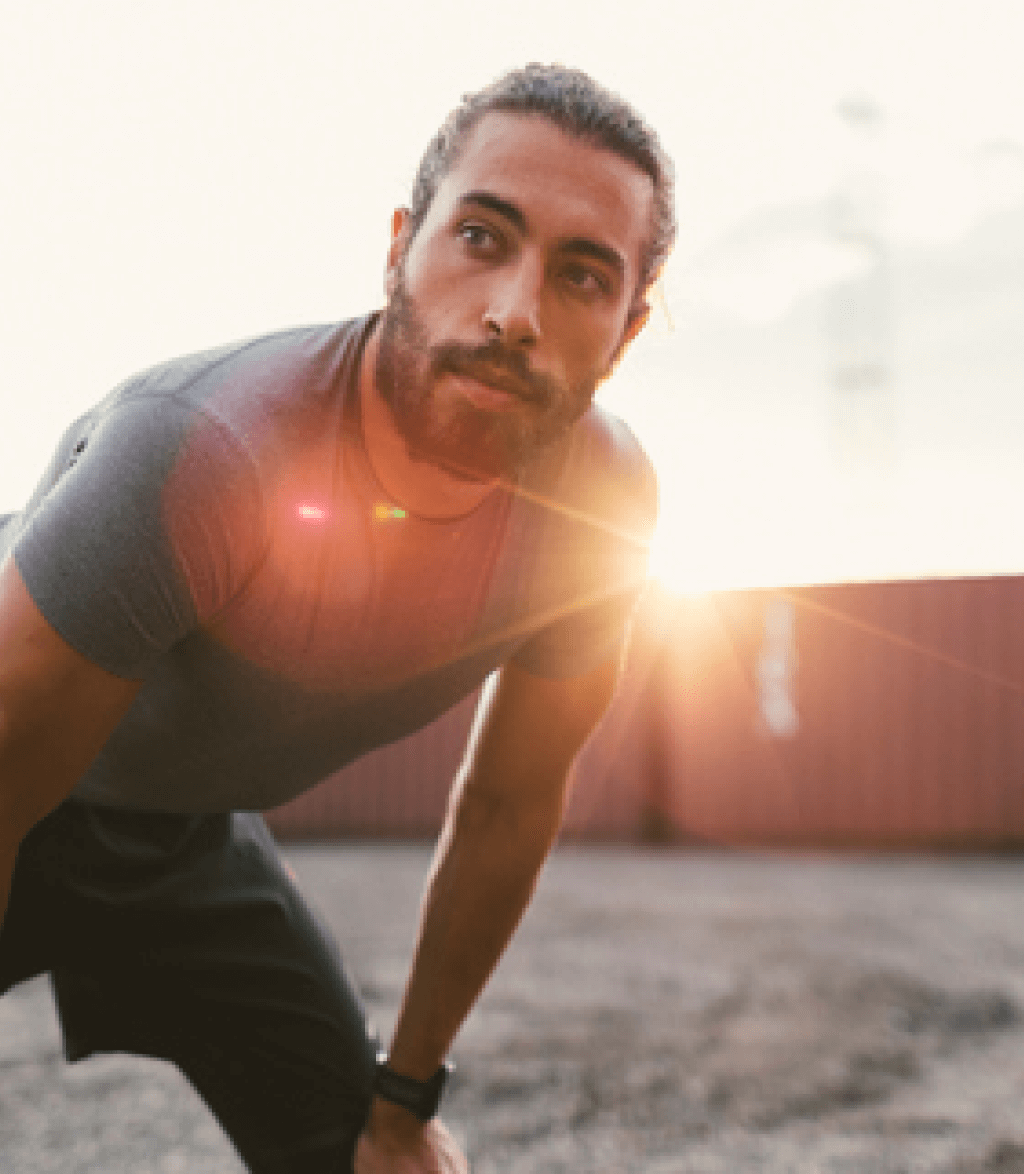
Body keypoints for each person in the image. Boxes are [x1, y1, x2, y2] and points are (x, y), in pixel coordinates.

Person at [0, 63, 674, 1172]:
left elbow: (508, 802)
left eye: (582, 275)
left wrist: (404, 1102)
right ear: (400, 244)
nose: (513, 312)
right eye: (480, 237)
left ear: (628, 329)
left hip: (183, 832)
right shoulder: (204, 450)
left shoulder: (599, 510)